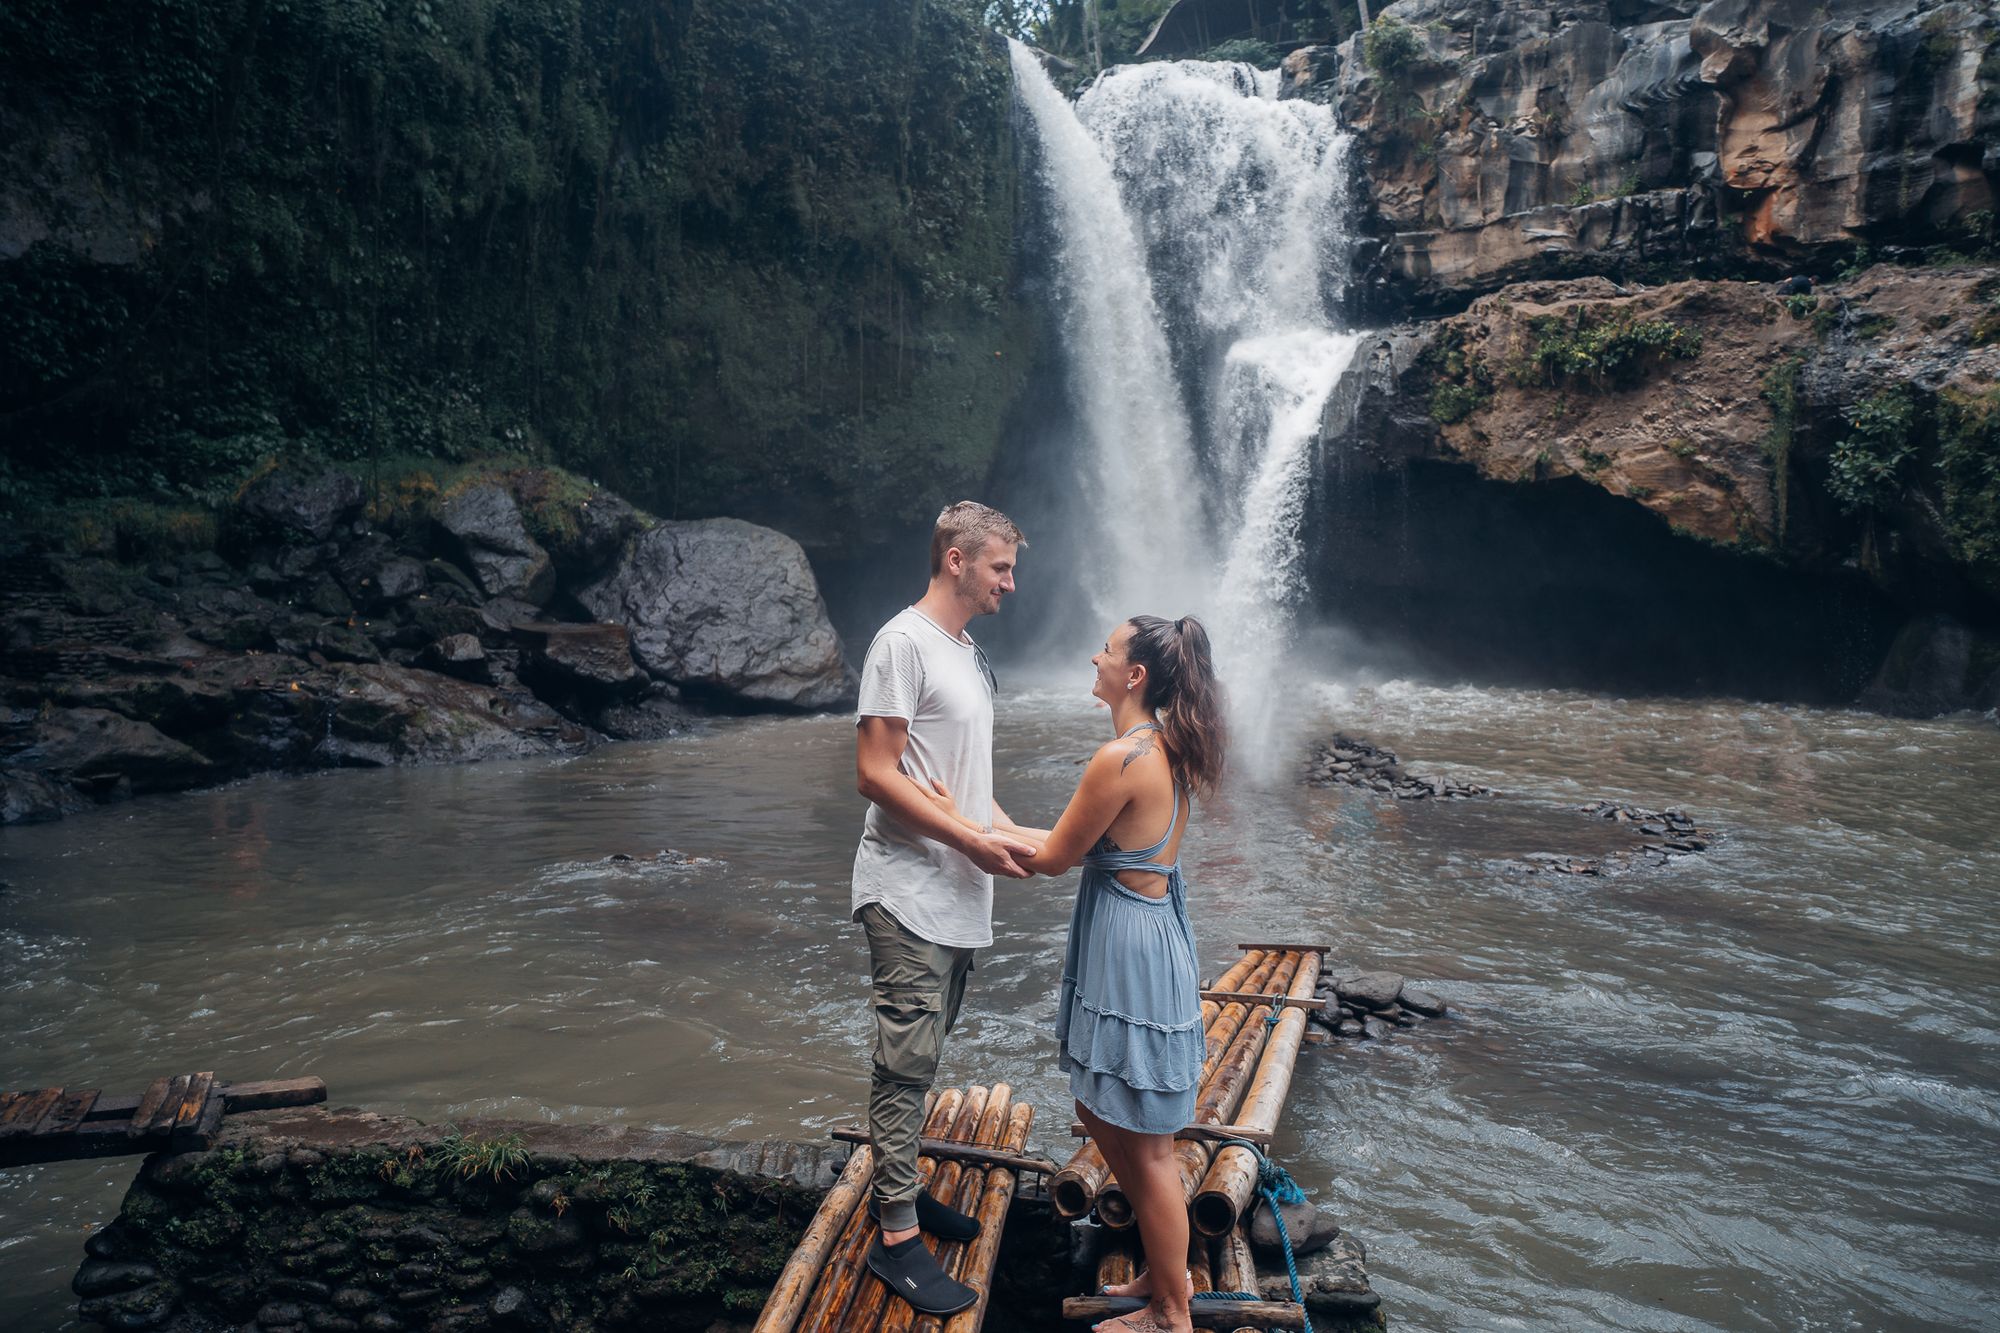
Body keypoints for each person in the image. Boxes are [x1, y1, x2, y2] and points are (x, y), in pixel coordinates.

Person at [923, 614, 1227, 1333]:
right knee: (1098, 1110)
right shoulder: (1161, 748)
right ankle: (1165, 1267)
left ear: (1135, 675)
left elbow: (1051, 858)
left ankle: (1171, 1313)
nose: (1094, 654)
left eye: (1107, 648)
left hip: (1131, 950)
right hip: (1145, 935)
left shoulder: (1122, 756)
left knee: (1149, 1142)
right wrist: (971, 812)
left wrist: (956, 825)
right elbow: (1068, 841)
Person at [851, 500, 1037, 1317]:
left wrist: (1046, 838)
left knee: (923, 1056)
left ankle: (905, 1188)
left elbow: (969, 790)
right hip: (907, 889)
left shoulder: (965, 651)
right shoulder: (902, 642)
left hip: (954, 889)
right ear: (956, 560)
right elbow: (874, 771)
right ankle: (895, 1236)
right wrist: (968, 842)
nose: (1011, 582)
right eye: (1000, 566)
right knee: (903, 1066)